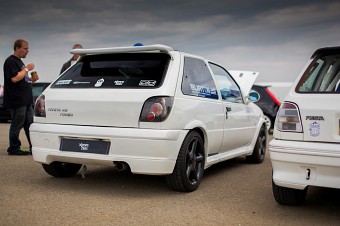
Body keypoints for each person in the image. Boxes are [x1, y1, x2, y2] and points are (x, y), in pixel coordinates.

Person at [3, 39, 39, 155]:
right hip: (17, 100)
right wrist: (27, 68)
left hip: (26, 100)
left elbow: (22, 79)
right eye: (25, 48)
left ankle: (34, 147)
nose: (27, 51)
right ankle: (13, 148)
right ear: (17, 48)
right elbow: (14, 78)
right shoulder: (10, 61)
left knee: (30, 125)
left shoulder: (20, 62)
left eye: (28, 48)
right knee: (17, 124)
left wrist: (31, 79)